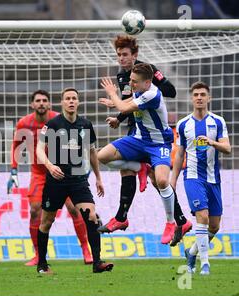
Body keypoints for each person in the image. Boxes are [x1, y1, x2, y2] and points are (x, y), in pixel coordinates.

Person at [99, 35, 191, 245]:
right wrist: (118, 113)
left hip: (158, 140)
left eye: (125, 55)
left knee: (160, 180)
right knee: (103, 157)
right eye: (119, 55)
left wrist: (114, 97)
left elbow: (157, 94)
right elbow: (130, 101)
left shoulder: (150, 78)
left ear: (135, 56)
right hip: (138, 133)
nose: (121, 59)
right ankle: (122, 216)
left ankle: (174, 221)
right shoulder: (126, 77)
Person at [7, 90, 93, 266]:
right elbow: (15, 146)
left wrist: (85, 167)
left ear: (50, 104)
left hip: (63, 171)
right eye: (37, 101)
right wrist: (13, 171)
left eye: (44, 100)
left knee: (75, 209)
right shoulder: (24, 123)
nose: (41, 103)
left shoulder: (58, 120)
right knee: (34, 211)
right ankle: (38, 254)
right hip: (40, 173)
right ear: (32, 105)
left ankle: (86, 249)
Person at [36, 87, 113, 274]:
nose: (71, 101)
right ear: (62, 102)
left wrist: (98, 178)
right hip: (56, 181)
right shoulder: (52, 124)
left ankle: (97, 262)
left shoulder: (85, 125)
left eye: (74, 98)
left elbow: (92, 152)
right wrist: (50, 166)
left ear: (78, 102)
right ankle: (42, 264)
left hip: (78, 180)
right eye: (67, 98)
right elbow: (39, 149)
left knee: (92, 217)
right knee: (47, 221)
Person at [171, 81, 231, 275]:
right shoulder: (183, 124)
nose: (199, 97)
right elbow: (180, 154)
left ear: (208, 98)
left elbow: (228, 148)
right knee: (202, 217)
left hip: (214, 178)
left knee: (214, 225)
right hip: (193, 177)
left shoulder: (218, 121)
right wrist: (173, 179)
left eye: (202, 94)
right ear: (191, 98)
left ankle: (192, 251)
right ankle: (205, 264)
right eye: (196, 94)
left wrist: (212, 142)